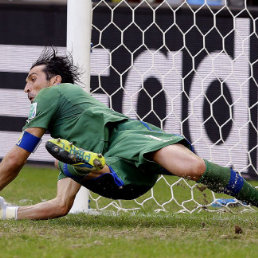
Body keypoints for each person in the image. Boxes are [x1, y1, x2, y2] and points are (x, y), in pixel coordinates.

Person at [0, 48, 257, 220]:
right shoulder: (65, 147)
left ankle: (93, 162)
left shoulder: (53, 93)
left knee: (194, 166)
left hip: (126, 138)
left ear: (55, 81)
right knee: (64, 162)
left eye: (32, 79)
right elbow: (60, 206)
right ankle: (93, 162)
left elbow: (16, 159)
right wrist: (7, 213)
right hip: (121, 176)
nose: (26, 88)